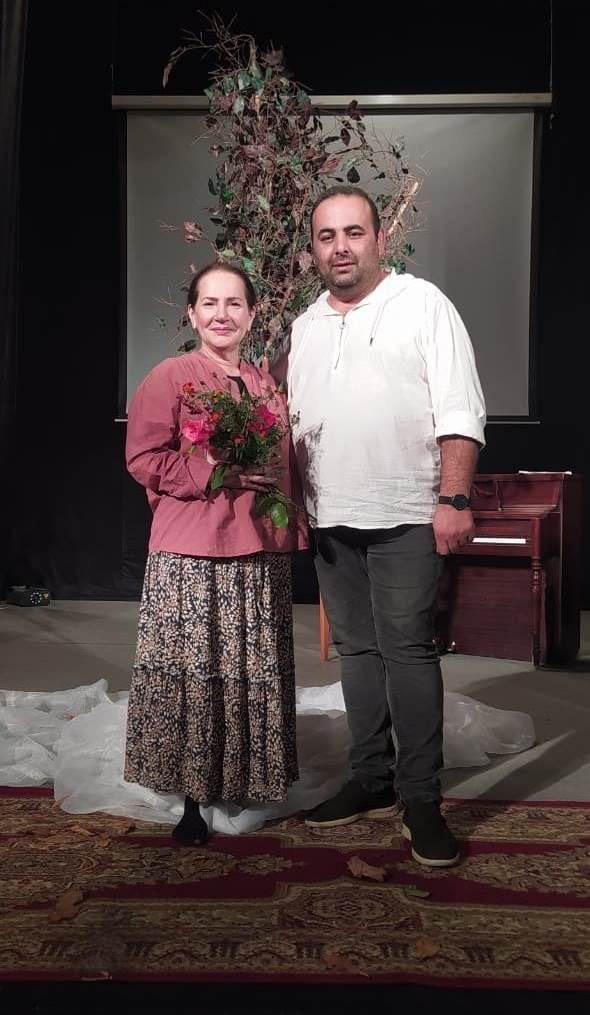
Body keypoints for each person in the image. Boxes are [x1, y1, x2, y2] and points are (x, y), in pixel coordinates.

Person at [279, 185, 486, 867]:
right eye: (326, 236)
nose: (340, 247)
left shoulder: (423, 304)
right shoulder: (306, 326)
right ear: (314, 249)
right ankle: (371, 778)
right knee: (358, 653)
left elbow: (460, 407)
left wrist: (453, 498)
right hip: (329, 516)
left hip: (406, 511)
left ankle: (420, 798)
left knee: (407, 650)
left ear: (379, 239)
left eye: (353, 232)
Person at [124, 262, 307, 846]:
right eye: (209, 303)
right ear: (192, 313)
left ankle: (245, 773)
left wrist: (290, 523)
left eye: (234, 304)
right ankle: (192, 792)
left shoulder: (265, 384)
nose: (221, 314)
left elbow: (286, 463)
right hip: (193, 550)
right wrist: (215, 473)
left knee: (248, 667)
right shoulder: (171, 375)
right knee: (197, 672)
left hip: (256, 548)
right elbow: (143, 458)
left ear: (252, 315)